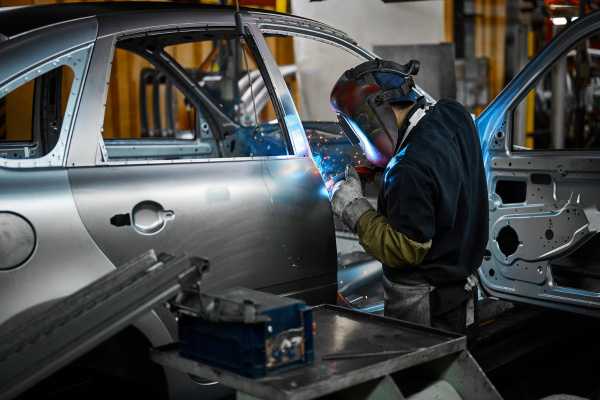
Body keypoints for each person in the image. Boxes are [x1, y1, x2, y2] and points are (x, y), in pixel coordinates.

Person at [329, 58, 488, 335]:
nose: (359, 139)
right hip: (461, 291)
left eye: (359, 129)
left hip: (428, 307)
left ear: (374, 115)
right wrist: (382, 170)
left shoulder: (409, 168)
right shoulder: (453, 113)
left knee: (421, 376)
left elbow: (405, 249)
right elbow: (441, 177)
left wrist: (353, 207)